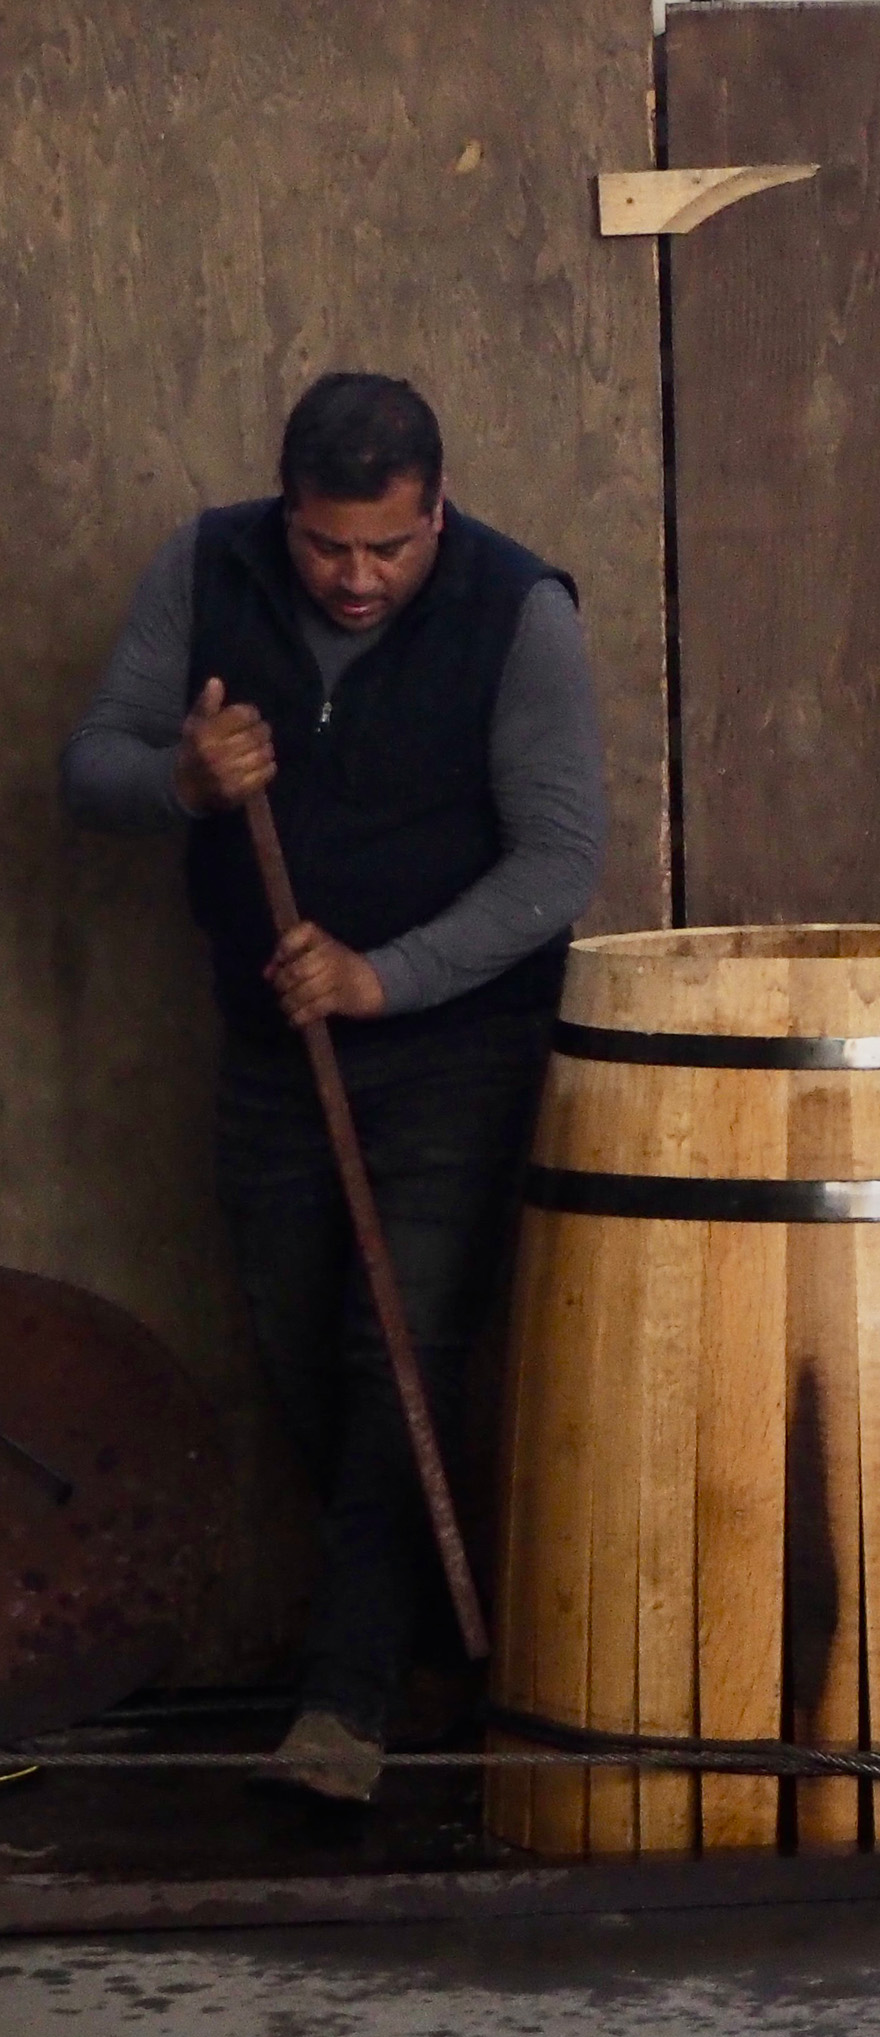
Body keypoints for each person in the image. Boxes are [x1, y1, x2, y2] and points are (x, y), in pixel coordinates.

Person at [61, 373, 607, 1803]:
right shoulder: (205, 563)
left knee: (400, 1357)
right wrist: (181, 777)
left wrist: (387, 974)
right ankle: (430, 1647)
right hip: (266, 1050)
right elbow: (88, 767)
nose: (356, 579)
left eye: (390, 546)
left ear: (438, 507)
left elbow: (556, 864)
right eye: (326, 547)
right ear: (284, 508)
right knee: (302, 1349)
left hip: (458, 1049)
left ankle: (343, 1711)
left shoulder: (514, 609)